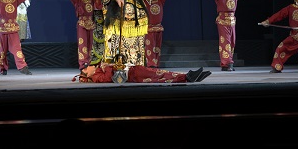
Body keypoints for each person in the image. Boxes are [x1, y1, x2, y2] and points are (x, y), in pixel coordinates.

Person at [199, 0, 251, 71]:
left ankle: (225, 64)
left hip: (232, 21)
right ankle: (228, 63)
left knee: (232, 42)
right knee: (225, 42)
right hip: (222, 21)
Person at [60, 0, 96, 71]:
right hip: (82, 24)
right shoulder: (78, 0)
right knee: (82, 44)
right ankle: (83, 63)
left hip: (91, 23)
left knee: (91, 44)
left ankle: (91, 62)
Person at [74, 63, 211, 83]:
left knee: (160, 72)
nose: (90, 65)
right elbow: (107, 78)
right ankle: (187, 77)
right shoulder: (96, 76)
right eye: (87, 68)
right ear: (87, 73)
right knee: (159, 77)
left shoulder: (98, 70)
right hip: (133, 75)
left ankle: (187, 76)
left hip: (134, 70)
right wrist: (107, 67)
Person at [144, 0, 172, 68]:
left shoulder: (160, 1)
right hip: (148, 29)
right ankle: (150, 64)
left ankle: (156, 64)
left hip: (158, 28)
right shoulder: (145, 2)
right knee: (149, 47)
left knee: (157, 48)